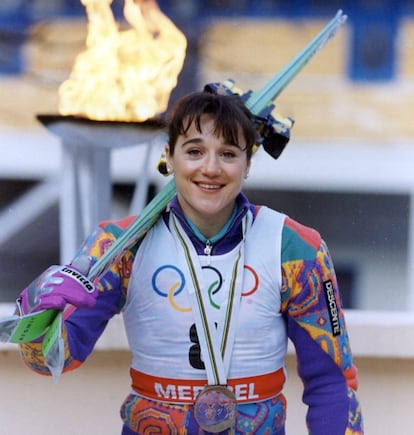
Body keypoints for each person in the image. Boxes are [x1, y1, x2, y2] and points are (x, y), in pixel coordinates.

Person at [17, 90, 363, 434]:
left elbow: (332, 384)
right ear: (169, 156)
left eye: (228, 153)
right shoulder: (120, 245)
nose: (210, 169)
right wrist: (37, 305)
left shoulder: (296, 248)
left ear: (248, 165)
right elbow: (53, 360)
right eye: (194, 151)